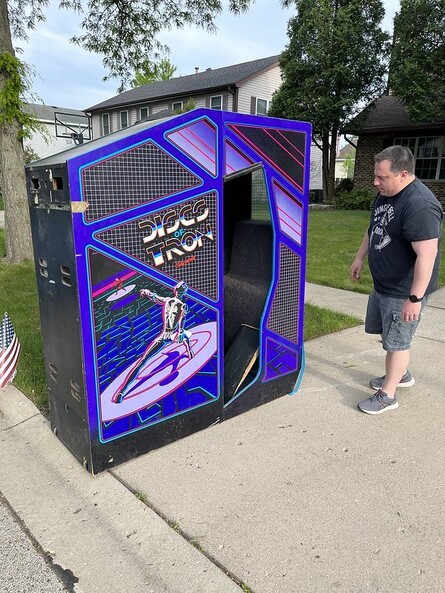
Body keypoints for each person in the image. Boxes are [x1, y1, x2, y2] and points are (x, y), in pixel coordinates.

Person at [350, 145, 443, 414]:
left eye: (382, 177)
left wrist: (414, 298)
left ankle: (388, 395)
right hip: (383, 285)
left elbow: (427, 255)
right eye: (376, 177)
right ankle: (400, 375)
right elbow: (373, 227)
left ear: (403, 174)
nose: (376, 183)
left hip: (403, 290)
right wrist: (359, 258)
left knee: (398, 341)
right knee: (388, 336)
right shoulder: (386, 194)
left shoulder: (420, 205)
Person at [112, 281, 194, 404]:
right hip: (164, 334)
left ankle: (190, 350)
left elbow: (183, 318)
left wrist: (181, 331)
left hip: (173, 334)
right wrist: (147, 292)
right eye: (178, 290)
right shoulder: (168, 300)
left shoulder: (182, 305)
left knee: (185, 338)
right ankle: (122, 391)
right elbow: (155, 297)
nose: (178, 292)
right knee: (143, 360)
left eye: (180, 290)